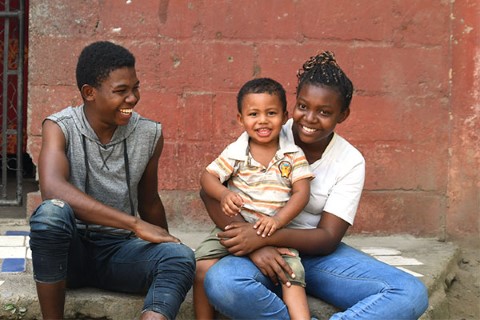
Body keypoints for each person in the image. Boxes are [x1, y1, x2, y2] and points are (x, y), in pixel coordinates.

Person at [200, 51, 429, 319]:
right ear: (293, 105)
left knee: (409, 292)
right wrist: (255, 244)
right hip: (258, 251)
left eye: (324, 112)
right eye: (303, 106)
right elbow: (209, 190)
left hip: (315, 255)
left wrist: (264, 237)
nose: (309, 118)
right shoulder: (267, 129)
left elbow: (328, 238)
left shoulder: (350, 160)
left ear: (343, 115)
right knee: (221, 282)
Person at [28, 41, 195, 320]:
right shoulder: (59, 127)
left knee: (181, 258)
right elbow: (53, 188)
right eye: (121, 91)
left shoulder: (148, 134)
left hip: (120, 254)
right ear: (89, 93)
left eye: (135, 88)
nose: (132, 98)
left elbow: (149, 200)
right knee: (50, 216)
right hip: (71, 256)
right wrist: (133, 223)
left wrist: (167, 243)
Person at [194, 78, 314, 320]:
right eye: (253, 114)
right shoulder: (236, 152)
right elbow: (207, 178)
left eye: (271, 113)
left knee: (292, 280)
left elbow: (302, 193)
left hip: (273, 231)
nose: (262, 120)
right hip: (233, 230)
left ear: (284, 116)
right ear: (241, 119)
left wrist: (278, 221)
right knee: (201, 268)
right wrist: (224, 193)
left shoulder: (292, 154)